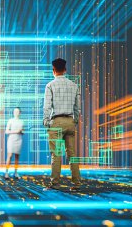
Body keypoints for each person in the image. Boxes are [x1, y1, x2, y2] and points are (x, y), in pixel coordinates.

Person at [43, 58, 81, 191]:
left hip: (57, 122)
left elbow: (47, 107)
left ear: (53, 70)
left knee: (56, 153)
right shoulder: (74, 85)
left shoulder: (50, 85)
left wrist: (47, 122)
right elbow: (78, 108)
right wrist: (74, 121)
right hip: (70, 122)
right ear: (65, 70)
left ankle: (55, 184)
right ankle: (76, 184)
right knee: (72, 154)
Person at [5, 107, 24, 180]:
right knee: (9, 156)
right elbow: (7, 131)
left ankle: (15, 173)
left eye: (17, 111)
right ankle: (6, 172)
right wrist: (16, 131)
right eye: (15, 111)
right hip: (11, 139)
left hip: (19, 139)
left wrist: (21, 132)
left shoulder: (21, 121)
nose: (16, 113)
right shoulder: (10, 121)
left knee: (17, 157)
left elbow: (22, 131)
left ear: (20, 113)